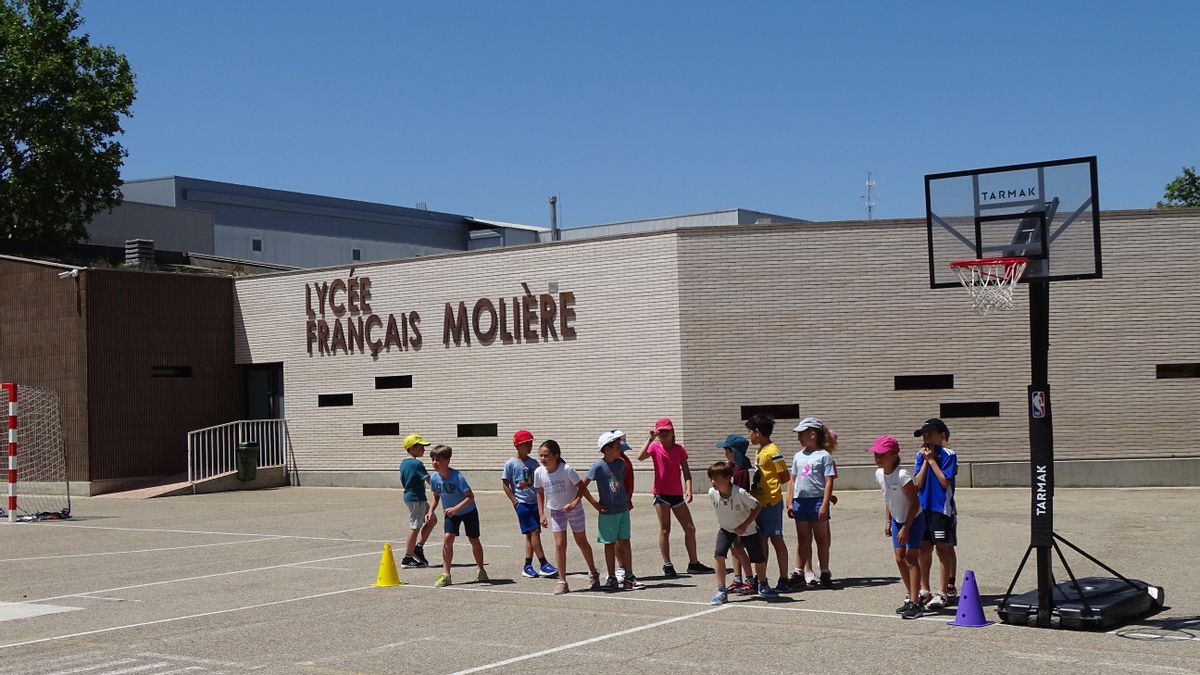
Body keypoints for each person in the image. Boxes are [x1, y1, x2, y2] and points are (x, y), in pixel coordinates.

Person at [637, 417, 712, 577]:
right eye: (660, 431)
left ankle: (694, 563)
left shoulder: (679, 449)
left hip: (677, 494)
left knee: (690, 528)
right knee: (665, 529)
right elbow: (640, 456)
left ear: (672, 432)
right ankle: (667, 564)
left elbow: (686, 471)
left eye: (666, 431)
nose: (663, 434)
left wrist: (689, 489)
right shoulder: (655, 447)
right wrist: (650, 439)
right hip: (661, 494)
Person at [534, 439, 601, 594]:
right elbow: (539, 492)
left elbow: (582, 488)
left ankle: (593, 572)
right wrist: (541, 513)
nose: (543, 459)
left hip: (574, 510)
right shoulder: (539, 472)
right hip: (556, 511)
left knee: (581, 541)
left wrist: (575, 502)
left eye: (546, 455)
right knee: (559, 544)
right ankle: (562, 581)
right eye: (541, 456)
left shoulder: (566, 470)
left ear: (556, 455)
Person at [870, 435, 926, 619]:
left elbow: (915, 504)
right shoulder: (879, 474)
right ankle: (910, 596)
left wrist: (905, 528)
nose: (878, 458)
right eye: (876, 454)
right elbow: (889, 499)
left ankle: (917, 602)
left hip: (913, 520)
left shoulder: (902, 476)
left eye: (882, 455)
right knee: (899, 558)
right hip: (897, 519)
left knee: (911, 558)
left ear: (894, 455)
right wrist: (888, 521)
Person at [580, 429, 645, 590]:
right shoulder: (598, 466)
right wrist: (593, 503)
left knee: (625, 541)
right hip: (608, 513)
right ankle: (611, 577)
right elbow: (582, 485)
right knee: (609, 544)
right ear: (606, 448)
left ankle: (629, 576)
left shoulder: (621, 464)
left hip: (622, 509)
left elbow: (619, 486)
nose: (620, 448)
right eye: (617, 446)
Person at [707, 461, 775, 604]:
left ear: (727, 478)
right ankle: (721, 591)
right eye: (711, 478)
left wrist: (745, 525)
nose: (713, 481)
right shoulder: (712, 493)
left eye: (716, 478)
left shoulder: (740, 493)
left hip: (748, 530)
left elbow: (757, 506)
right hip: (726, 529)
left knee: (758, 558)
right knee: (719, 555)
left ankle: (763, 584)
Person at [913, 418, 958, 610]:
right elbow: (917, 483)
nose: (927, 438)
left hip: (941, 508)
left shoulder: (949, 454)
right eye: (924, 435)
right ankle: (925, 589)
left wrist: (932, 460)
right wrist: (924, 461)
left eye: (930, 434)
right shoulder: (919, 455)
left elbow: (944, 482)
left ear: (943, 436)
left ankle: (943, 591)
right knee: (923, 548)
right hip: (923, 508)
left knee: (942, 549)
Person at [787, 417, 837, 589]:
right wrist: (790, 501)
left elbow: (829, 481)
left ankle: (824, 571)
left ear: (813, 434)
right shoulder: (797, 456)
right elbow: (792, 480)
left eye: (802, 434)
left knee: (821, 538)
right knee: (803, 538)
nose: (799, 438)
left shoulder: (824, 456)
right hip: (800, 501)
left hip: (817, 500)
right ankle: (799, 572)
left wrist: (824, 504)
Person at [744, 414, 792, 593]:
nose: (749, 436)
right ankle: (761, 577)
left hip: (771, 503)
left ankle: (784, 578)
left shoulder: (773, 451)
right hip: (759, 503)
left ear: (757, 432)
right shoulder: (760, 451)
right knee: (761, 540)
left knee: (776, 539)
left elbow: (785, 476)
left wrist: (772, 489)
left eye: (750, 432)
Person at [427, 444, 487, 587]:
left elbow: (470, 496)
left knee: (474, 539)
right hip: (450, 513)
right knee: (448, 538)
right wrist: (430, 511)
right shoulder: (434, 478)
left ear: (447, 461)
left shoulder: (457, 477)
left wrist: (455, 508)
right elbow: (436, 497)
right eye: (433, 459)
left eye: (438, 460)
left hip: (468, 511)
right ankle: (446, 574)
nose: (434, 463)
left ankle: (481, 569)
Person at [502, 429, 556, 579]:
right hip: (522, 503)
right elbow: (505, 484)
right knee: (534, 532)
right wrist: (515, 501)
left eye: (531, 443)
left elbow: (539, 482)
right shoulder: (511, 464)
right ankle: (543, 563)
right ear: (518, 446)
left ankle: (527, 565)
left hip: (533, 502)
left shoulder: (533, 463)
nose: (530, 446)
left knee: (530, 535)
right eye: (526, 444)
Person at [715, 434, 754, 594]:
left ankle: (750, 579)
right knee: (733, 548)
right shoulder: (730, 468)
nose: (725, 453)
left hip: (739, 516)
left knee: (738, 548)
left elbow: (741, 494)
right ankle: (737, 578)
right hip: (728, 516)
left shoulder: (741, 471)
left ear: (734, 452)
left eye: (727, 450)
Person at [399, 434, 437, 568]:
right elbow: (429, 480)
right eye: (421, 447)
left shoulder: (404, 462)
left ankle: (418, 548)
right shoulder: (416, 463)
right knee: (415, 526)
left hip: (414, 497)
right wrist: (443, 486)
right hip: (416, 499)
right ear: (412, 447)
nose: (424, 450)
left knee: (432, 519)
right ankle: (407, 558)